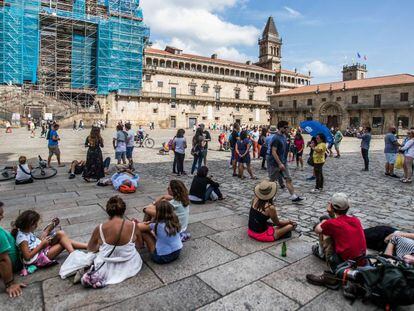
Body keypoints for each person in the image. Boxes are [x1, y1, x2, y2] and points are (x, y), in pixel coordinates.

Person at [306, 193, 366, 289]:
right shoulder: (356, 220)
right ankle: (320, 251)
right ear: (348, 207)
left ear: (331, 206)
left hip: (342, 265)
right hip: (360, 261)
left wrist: (323, 222)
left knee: (324, 230)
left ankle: (321, 253)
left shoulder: (332, 223)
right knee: (329, 227)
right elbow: (339, 222)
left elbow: (317, 230)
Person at [82, 196, 143, 288]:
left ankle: (97, 277)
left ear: (108, 211)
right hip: (130, 264)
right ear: (123, 210)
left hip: (106, 265)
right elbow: (140, 245)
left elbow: (90, 248)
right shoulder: (133, 225)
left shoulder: (100, 228)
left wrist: (102, 246)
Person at [13, 211, 87, 271]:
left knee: (61, 234)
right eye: (35, 224)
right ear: (29, 224)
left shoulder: (26, 231)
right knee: (63, 242)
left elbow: (38, 239)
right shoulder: (22, 239)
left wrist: (51, 227)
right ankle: (74, 256)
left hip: (41, 248)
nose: (36, 226)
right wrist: (41, 245)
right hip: (39, 258)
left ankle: (87, 247)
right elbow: (27, 257)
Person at [267, 121, 304, 203]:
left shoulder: (284, 136)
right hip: (274, 163)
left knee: (288, 179)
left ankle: (293, 196)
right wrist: (279, 163)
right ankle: (270, 197)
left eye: (287, 127)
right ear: (280, 128)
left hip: (283, 162)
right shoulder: (276, 138)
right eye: (285, 127)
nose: (287, 128)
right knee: (272, 181)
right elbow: (273, 152)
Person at [0, 202, 26, 298]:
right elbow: (2, 259)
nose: (2, 216)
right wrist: (10, 284)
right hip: (14, 265)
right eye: (0, 214)